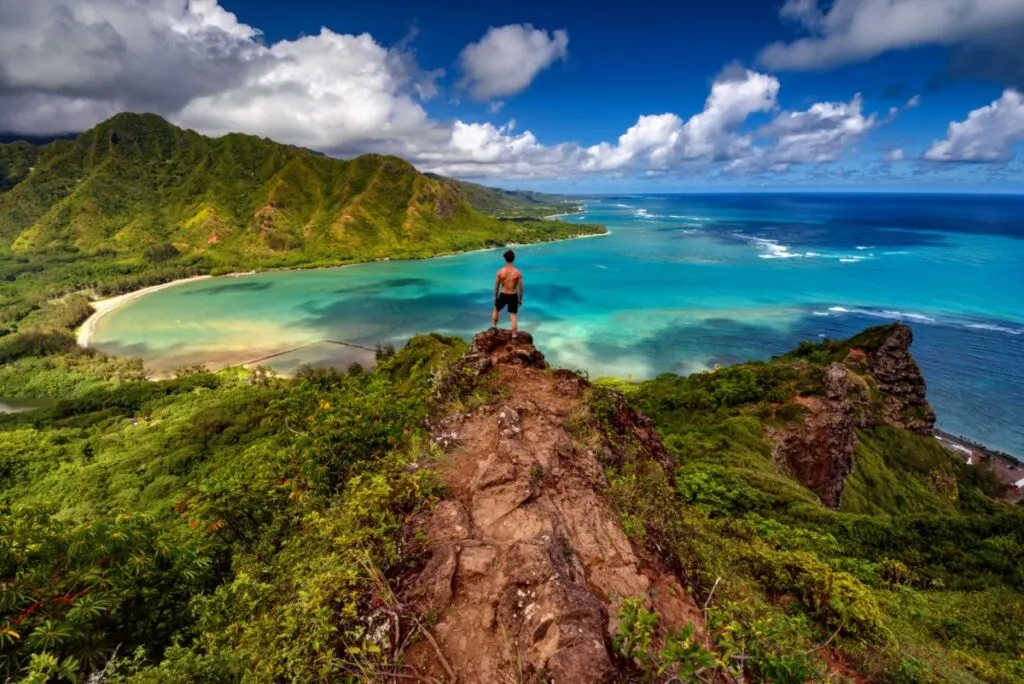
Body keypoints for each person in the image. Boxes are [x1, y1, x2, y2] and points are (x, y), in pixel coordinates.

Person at [492, 249, 523, 337]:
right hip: (513, 295)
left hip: (503, 293)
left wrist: (495, 296)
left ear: (505, 258)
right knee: (513, 316)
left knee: (496, 309)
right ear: (514, 258)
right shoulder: (517, 272)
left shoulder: (500, 271)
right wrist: (520, 299)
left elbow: (496, 285)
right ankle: (514, 336)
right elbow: (521, 288)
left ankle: (494, 327)